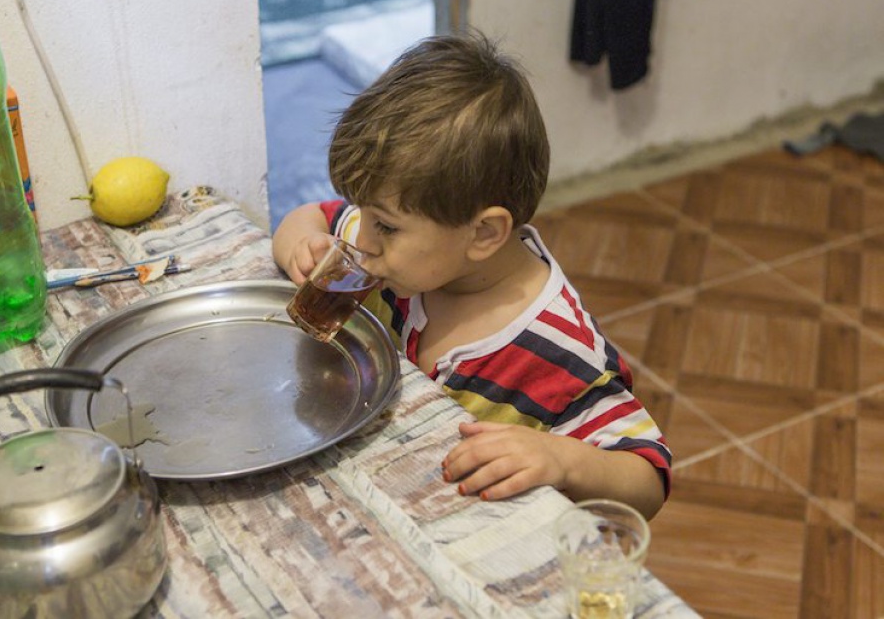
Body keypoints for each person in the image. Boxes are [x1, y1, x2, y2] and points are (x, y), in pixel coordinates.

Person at [272, 31, 671, 519]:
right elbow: (310, 215)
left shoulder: (556, 348)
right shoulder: (381, 249)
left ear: (483, 234)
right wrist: (301, 246)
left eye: (387, 226)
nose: (362, 240)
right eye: (363, 213)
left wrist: (562, 459)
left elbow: (647, 478)